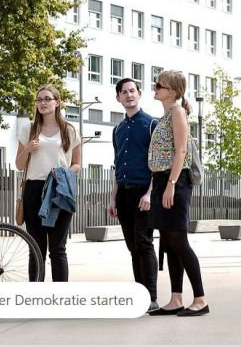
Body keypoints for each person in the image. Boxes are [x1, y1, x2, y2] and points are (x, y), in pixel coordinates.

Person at [146, 70, 208, 317]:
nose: (155, 88)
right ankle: (175, 298)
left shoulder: (178, 112)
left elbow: (181, 151)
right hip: (162, 180)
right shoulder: (165, 116)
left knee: (180, 241)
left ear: (171, 90)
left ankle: (201, 299)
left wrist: (171, 183)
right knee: (169, 243)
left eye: (159, 85)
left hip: (176, 181)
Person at [15, 85, 81, 282]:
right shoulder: (28, 128)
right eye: (39, 100)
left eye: (47, 99)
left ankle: (60, 297)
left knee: (58, 248)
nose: (42, 103)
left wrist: (62, 173)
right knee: (36, 247)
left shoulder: (68, 129)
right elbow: (19, 165)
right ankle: (36, 295)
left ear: (57, 102)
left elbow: (77, 164)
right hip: (34, 189)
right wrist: (27, 149)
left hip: (60, 189)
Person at [106, 78, 159, 312]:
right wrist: (112, 198)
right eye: (124, 92)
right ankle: (140, 295)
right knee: (132, 246)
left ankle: (152, 298)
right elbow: (118, 166)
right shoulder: (117, 130)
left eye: (132, 91)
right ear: (118, 97)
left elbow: (157, 165)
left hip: (143, 193)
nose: (129, 95)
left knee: (144, 243)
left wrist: (149, 194)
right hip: (124, 195)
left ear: (140, 94)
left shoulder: (151, 124)